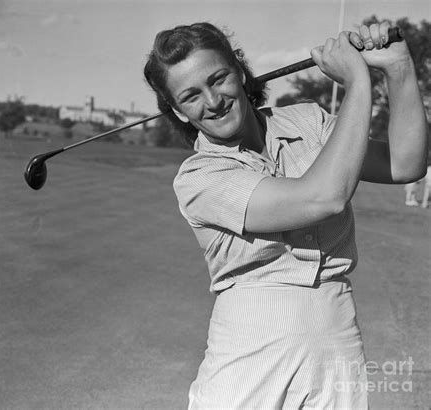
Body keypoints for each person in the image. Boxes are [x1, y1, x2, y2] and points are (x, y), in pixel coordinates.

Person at [144, 22, 428, 409]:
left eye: (218, 78)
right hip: (250, 348)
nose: (212, 101)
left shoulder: (308, 122)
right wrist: (358, 83)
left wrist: (398, 68)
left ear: (240, 72)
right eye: (191, 95)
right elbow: (323, 199)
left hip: (336, 332)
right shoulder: (199, 178)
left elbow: (407, 163)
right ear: (177, 111)